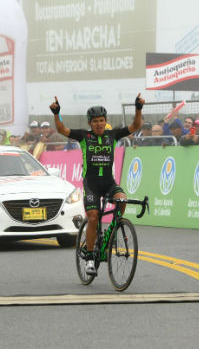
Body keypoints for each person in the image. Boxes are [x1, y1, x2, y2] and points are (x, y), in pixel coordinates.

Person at [49, 93, 145, 276]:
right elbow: (62, 130)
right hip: (91, 185)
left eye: (102, 120)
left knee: (122, 200)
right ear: (90, 123)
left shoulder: (113, 134)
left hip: (109, 183)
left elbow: (135, 126)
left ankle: (111, 233)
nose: (99, 124)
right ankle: (90, 257)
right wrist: (56, 113)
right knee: (93, 217)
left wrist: (138, 109)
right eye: (95, 121)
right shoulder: (84, 136)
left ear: (106, 121)